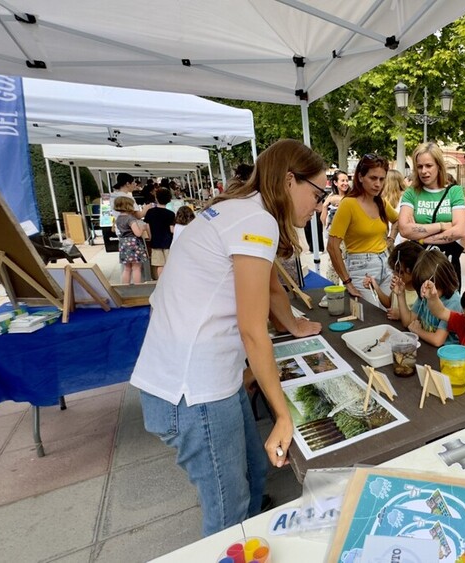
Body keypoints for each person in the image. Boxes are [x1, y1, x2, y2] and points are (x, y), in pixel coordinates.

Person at [130, 139, 326, 537]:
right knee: (227, 514)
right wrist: (284, 415)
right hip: (193, 391)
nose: (319, 203)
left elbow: (269, 289)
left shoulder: (242, 210)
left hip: (202, 379)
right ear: (291, 181)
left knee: (255, 471)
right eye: (317, 192)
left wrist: (292, 326)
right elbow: (254, 330)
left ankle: (252, 535)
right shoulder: (258, 221)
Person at [326, 154, 400, 308]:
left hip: (385, 264)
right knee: (371, 318)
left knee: (392, 312)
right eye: (373, 178)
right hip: (360, 269)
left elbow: (397, 220)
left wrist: (391, 239)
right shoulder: (348, 205)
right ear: (360, 177)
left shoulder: (381, 202)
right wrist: (347, 282)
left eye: (381, 179)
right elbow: (332, 247)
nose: (378, 184)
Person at [397, 143, 465, 286]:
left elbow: (460, 230)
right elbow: (404, 229)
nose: (424, 171)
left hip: (446, 266)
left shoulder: (454, 191)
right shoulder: (411, 193)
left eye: (429, 166)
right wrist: (442, 226)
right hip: (418, 265)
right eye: (419, 166)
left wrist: (422, 238)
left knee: (447, 307)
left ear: (439, 166)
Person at [393, 248, 461, 347]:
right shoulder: (424, 294)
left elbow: (437, 340)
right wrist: (400, 294)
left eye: (432, 287)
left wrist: (417, 330)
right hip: (427, 346)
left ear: (444, 280)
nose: (425, 293)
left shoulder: (453, 302)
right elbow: (408, 322)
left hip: (446, 353)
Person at [369, 240, 425, 313]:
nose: (396, 275)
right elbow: (389, 303)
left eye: (400, 272)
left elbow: (418, 318)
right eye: (394, 271)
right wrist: (375, 287)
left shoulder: (420, 293)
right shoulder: (399, 284)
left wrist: (400, 315)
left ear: (414, 270)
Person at [113, 197, 149, 284]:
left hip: (123, 243)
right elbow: (138, 233)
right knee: (136, 268)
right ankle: (137, 287)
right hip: (133, 244)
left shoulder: (118, 218)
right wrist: (143, 228)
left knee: (127, 268)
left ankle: (125, 288)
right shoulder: (130, 218)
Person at [143, 187, 177, 279]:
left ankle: (160, 283)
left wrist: (150, 237)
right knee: (169, 264)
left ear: (156, 198)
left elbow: (147, 226)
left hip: (155, 242)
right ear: (169, 200)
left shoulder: (150, 212)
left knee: (159, 265)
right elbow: (171, 229)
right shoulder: (171, 214)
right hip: (168, 242)